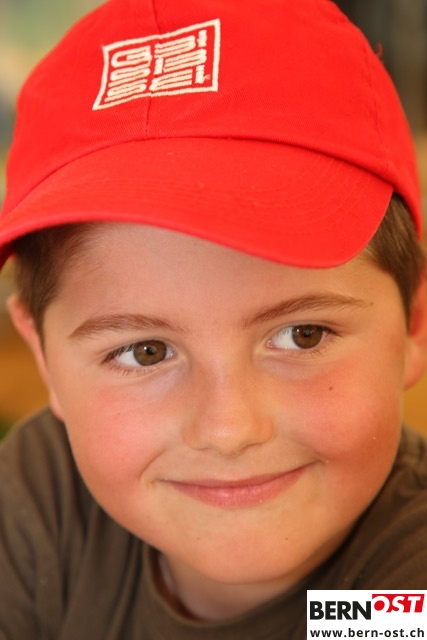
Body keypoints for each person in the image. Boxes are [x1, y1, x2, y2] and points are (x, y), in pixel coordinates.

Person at [0, 0, 426, 637]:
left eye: (302, 335)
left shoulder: (404, 596)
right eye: (145, 351)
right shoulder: (42, 496)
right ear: (43, 357)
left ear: (414, 322)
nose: (229, 430)